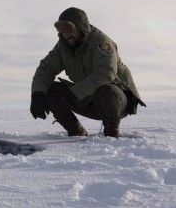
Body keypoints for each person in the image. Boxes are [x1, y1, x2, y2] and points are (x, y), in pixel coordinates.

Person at [30, 7, 145, 138]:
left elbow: (105, 74)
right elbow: (46, 69)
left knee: (106, 91)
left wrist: (72, 96)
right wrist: (37, 96)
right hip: (87, 98)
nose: (66, 35)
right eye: (62, 32)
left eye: (70, 30)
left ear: (82, 28)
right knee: (50, 90)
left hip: (117, 100)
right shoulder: (64, 46)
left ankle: (111, 136)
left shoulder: (101, 43)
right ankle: (77, 134)